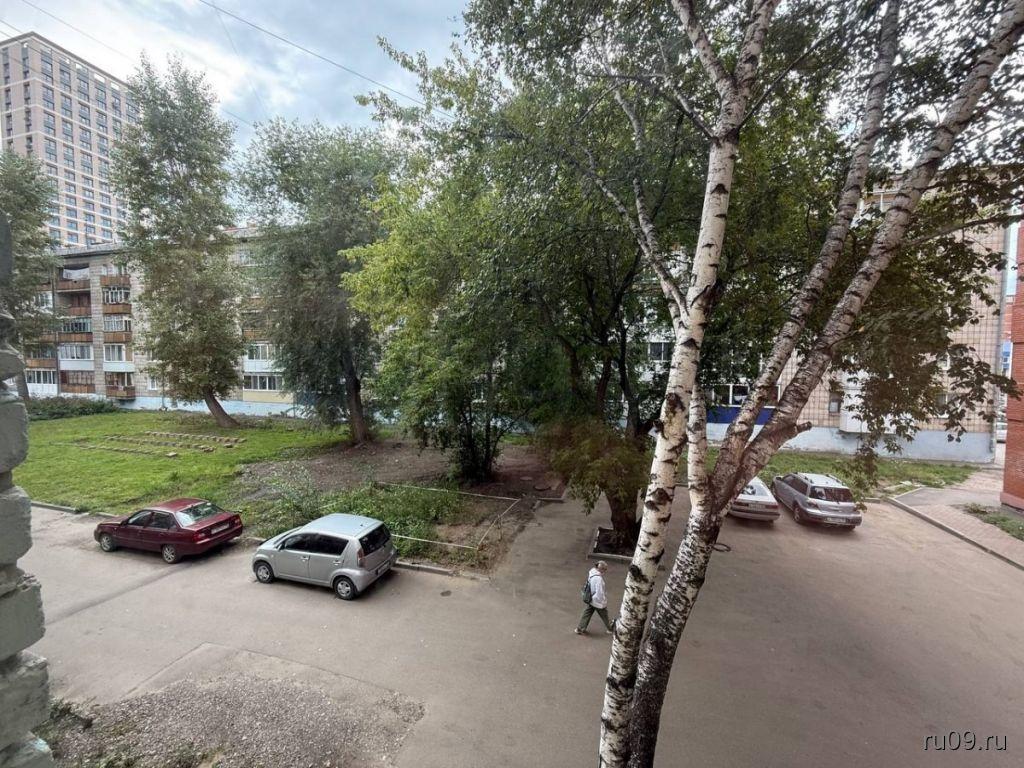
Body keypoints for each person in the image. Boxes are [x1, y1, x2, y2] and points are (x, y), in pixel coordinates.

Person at [576, 560, 615, 635]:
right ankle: (610, 628)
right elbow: (599, 592)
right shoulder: (599, 579)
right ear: (601, 569)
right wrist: (603, 601)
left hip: (590, 598)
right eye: (605, 569)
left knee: (587, 613)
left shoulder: (591, 573)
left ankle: (580, 628)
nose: (605, 571)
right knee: (604, 614)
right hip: (597, 601)